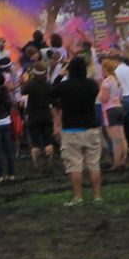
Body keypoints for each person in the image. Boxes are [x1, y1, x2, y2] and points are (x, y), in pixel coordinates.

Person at [50, 56, 102, 206]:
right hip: (91, 128)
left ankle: (78, 197)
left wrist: (60, 75)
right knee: (94, 164)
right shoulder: (92, 85)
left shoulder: (65, 85)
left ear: (69, 70)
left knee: (75, 165)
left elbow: (51, 93)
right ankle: (97, 196)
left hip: (71, 129)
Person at [21, 61, 55, 170]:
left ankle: (36, 165)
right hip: (46, 114)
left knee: (35, 144)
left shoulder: (30, 85)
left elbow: (23, 91)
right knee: (48, 141)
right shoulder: (48, 85)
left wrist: (26, 80)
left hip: (33, 115)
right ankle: (49, 163)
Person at [98, 60, 126, 171]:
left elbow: (104, 98)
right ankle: (122, 160)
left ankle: (116, 163)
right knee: (121, 136)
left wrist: (99, 93)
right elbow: (121, 97)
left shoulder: (107, 82)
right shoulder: (117, 81)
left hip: (110, 110)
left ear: (105, 69)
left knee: (114, 139)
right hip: (119, 107)